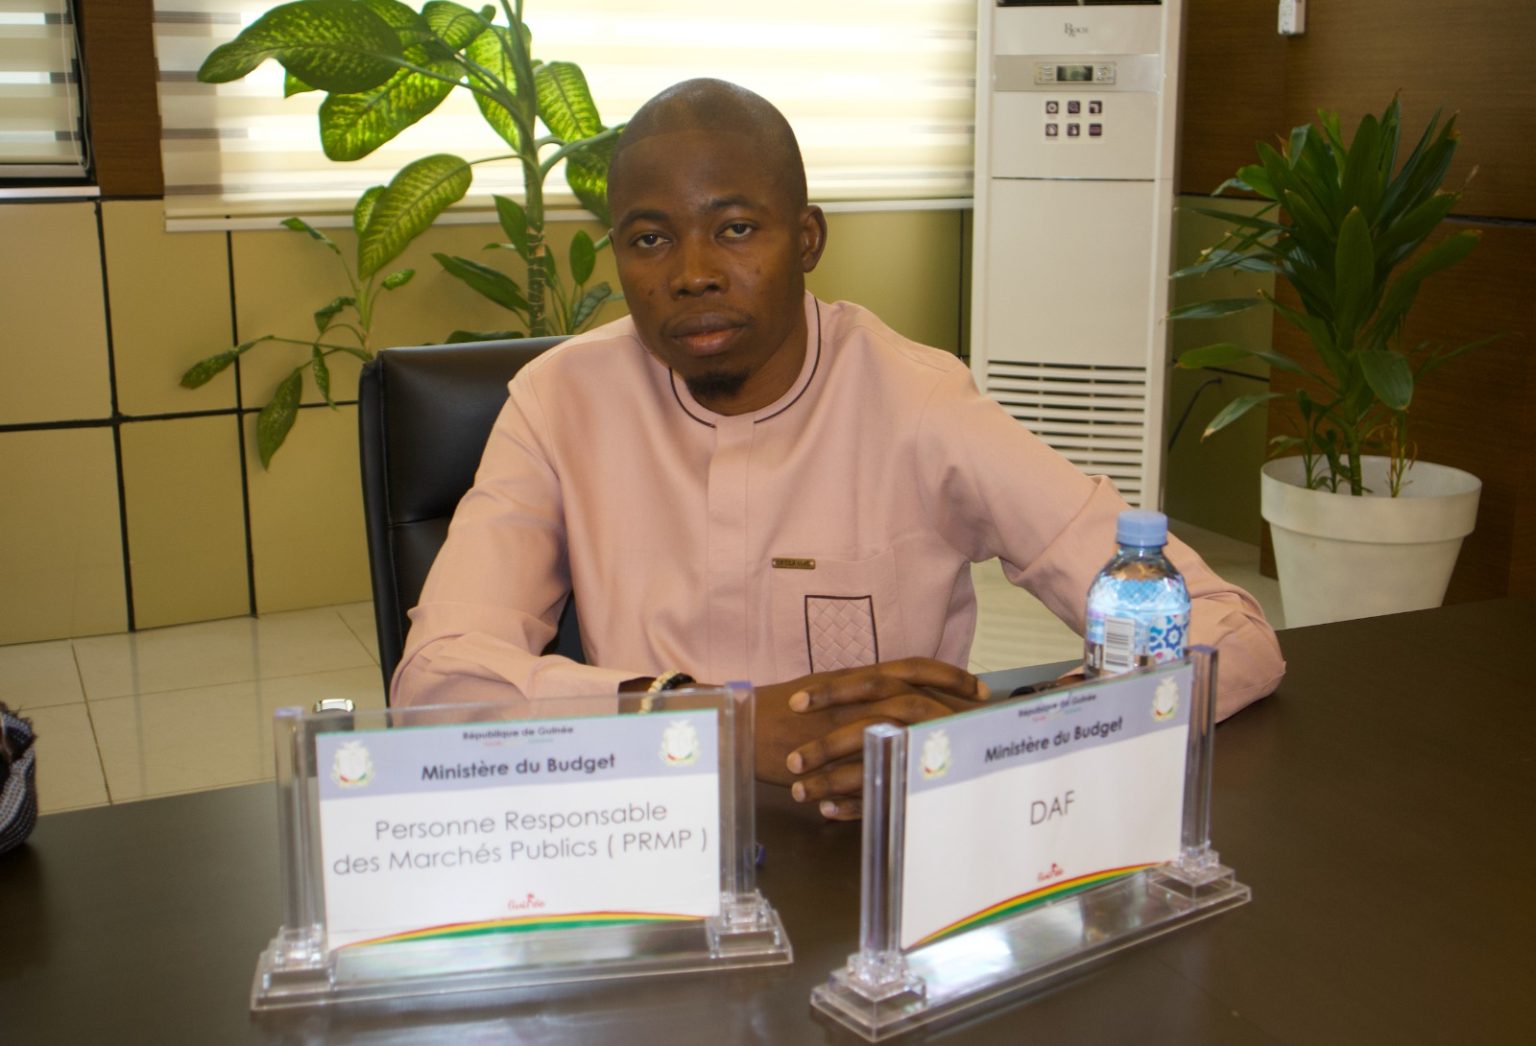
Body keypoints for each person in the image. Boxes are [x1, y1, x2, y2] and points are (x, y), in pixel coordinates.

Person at [393, 79, 1285, 819]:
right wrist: (716, 722)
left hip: (872, 853)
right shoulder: (560, 401)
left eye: (736, 228)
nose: (692, 272)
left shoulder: (919, 404)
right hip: (644, 828)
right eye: (651, 239)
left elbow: (1227, 632)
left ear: (808, 238)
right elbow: (435, 686)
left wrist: (1007, 736)